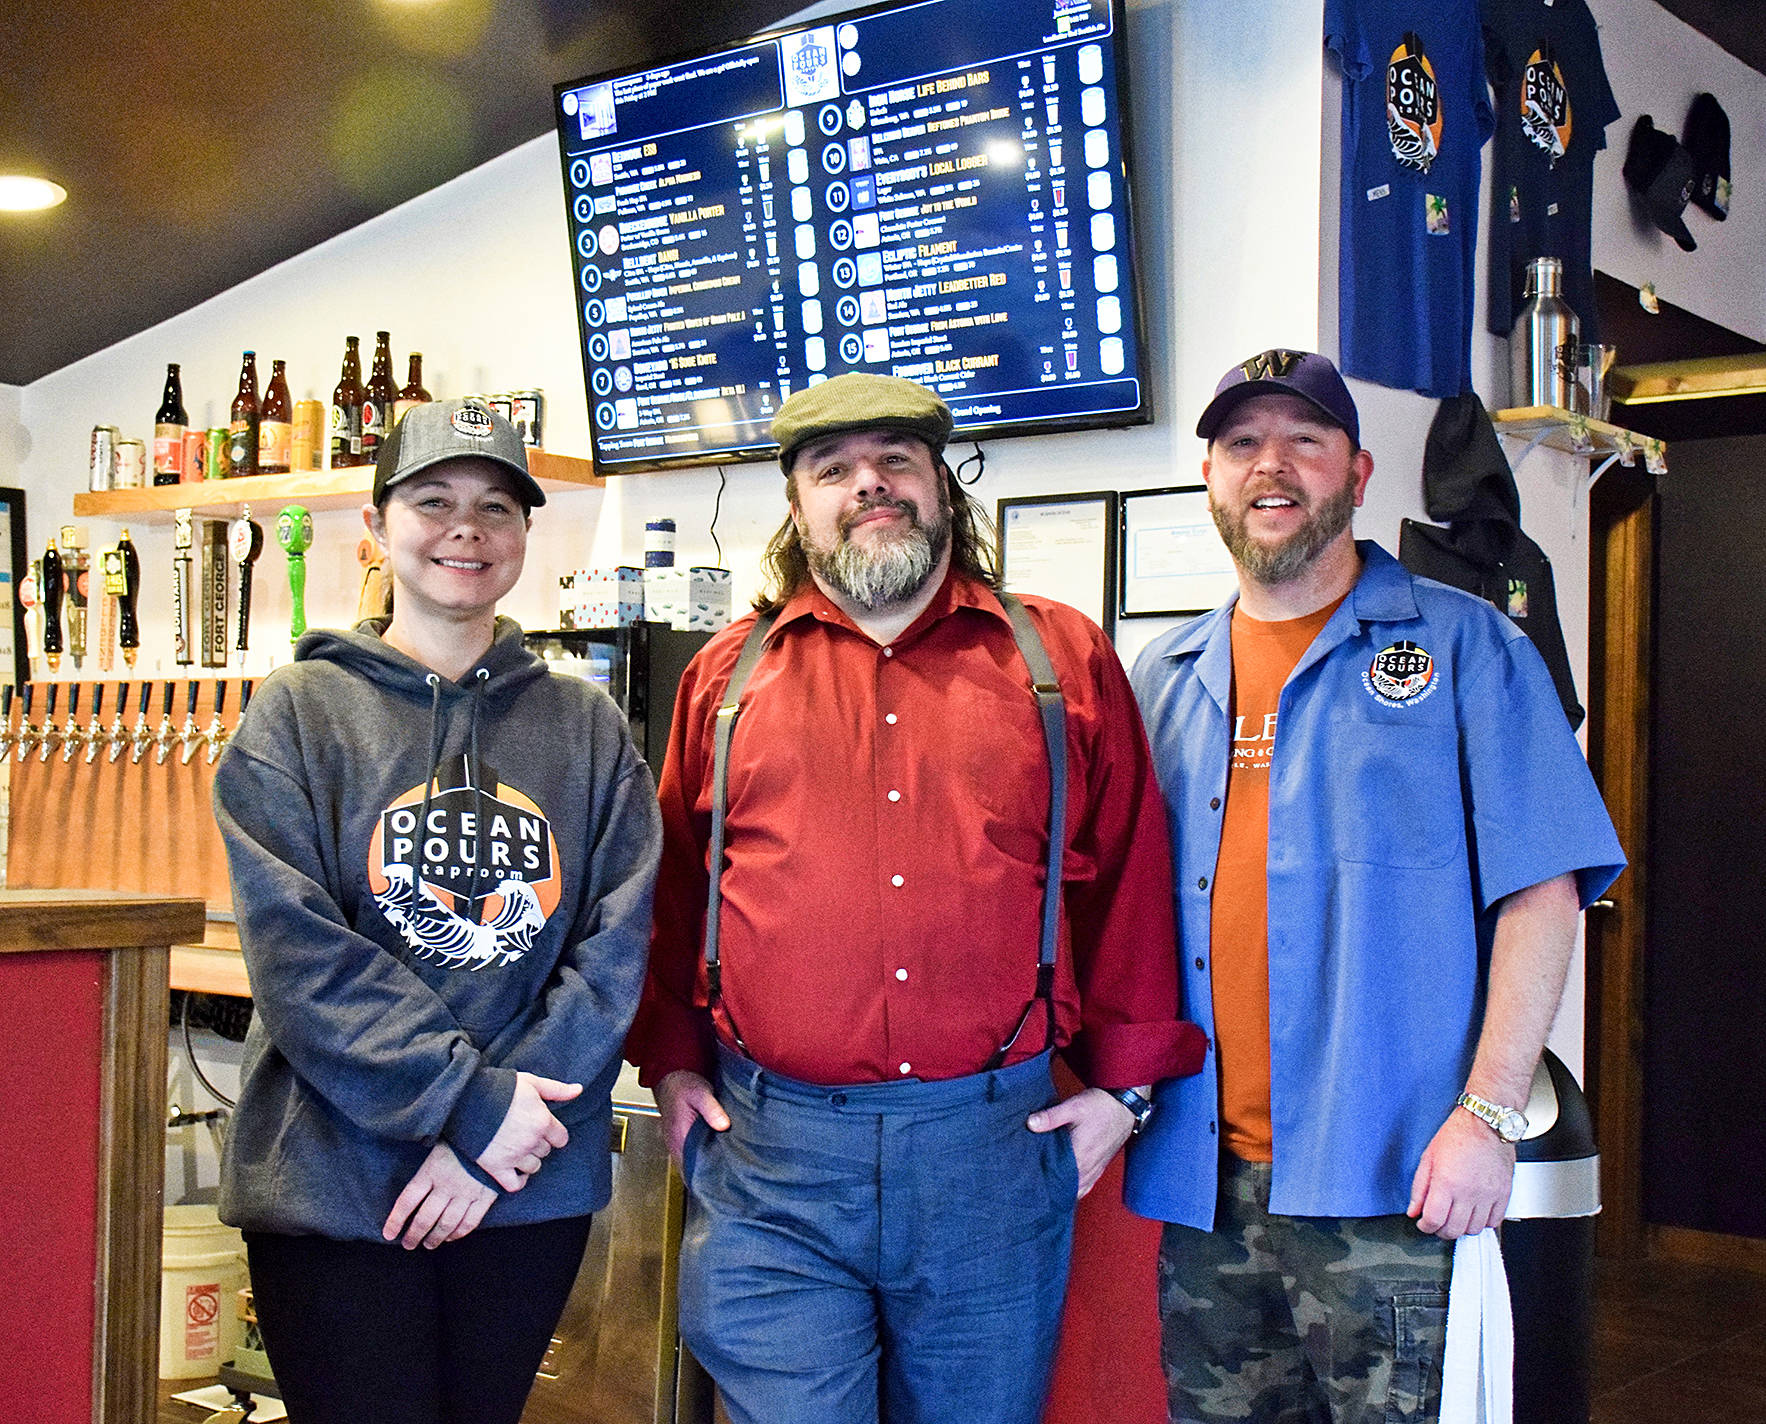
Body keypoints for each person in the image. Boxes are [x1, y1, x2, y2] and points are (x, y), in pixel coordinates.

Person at [626, 371, 1204, 1424]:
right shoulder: (723, 678)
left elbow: (1126, 880)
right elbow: (674, 887)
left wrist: (1123, 1094)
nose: (870, 485)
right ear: (797, 507)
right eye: (832, 468)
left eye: (896, 458)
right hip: (772, 1166)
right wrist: (667, 1061)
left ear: (942, 484)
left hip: (991, 1153)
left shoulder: (1058, 655)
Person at [1126, 349, 1625, 1424]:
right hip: (1205, 1192)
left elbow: (1543, 890)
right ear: (1208, 475)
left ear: (1354, 474)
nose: (1273, 466)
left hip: (1394, 1186)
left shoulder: (1467, 648)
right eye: (1243, 443)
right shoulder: (1160, 678)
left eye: (1303, 441)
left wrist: (1488, 1114)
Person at [213, 398, 662, 1424]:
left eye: (496, 506)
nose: (466, 528)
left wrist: (494, 1132)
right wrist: (466, 1104)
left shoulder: (586, 726)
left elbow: (616, 944)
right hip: (334, 1181)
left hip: (523, 1181)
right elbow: (301, 955)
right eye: (433, 500)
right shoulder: (299, 711)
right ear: (377, 526)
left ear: (521, 537)